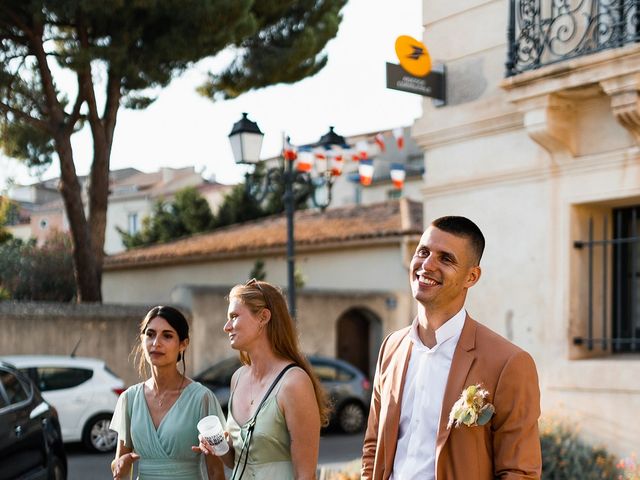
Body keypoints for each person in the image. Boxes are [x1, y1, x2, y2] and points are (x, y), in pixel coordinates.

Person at [361, 216, 542, 480]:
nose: (427, 265)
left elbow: (519, 471)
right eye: (423, 252)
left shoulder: (508, 363)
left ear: (472, 276)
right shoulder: (391, 348)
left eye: (446, 258)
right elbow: (373, 446)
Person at [196, 279, 330, 480]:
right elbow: (237, 462)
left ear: (263, 317)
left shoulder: (294, 382)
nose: (226, 327)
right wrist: (217, 446)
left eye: (234, 316)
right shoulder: (238, 378)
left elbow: (305, 475)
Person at [110, 305, 225, 479]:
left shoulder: (202, 398)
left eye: (167, 336)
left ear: (183, 344)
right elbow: (119, 462)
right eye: (150, 334)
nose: (156, 343)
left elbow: (216, 471)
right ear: (142, 340)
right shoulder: (129, 398)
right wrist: (120, 467)